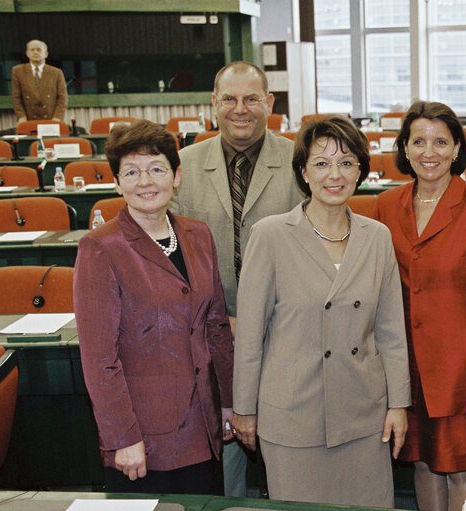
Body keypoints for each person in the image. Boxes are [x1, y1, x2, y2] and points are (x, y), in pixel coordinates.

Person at [230, 115, 410, 507]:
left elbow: (391, 331)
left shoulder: (377, 237)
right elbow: (249, 336)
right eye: (322, 163)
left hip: (364, 414)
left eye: (346, 163)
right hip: (294, 415)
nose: (335, 174)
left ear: (360, 170)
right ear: (303, 172)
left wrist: (399, 404)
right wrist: (243, 409)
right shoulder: (271, 234)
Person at [74, 119, 234, 494]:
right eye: (131, 172)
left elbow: (216, 329)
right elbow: (100, 359)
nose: (145, 181)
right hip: (143, 438)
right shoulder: (100, 248)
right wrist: (121, 437)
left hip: (203, 424)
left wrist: (228, 402)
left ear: (176, 176)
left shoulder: (199, 234)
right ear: (117, 183)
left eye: (157, 168)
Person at [170, 60, 304, 496]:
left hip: (289, 330)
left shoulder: (301, 160)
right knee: (226, 450)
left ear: (269, 103)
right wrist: (217, 317)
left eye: (251, 99)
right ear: (214, 104)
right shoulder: (183, 166)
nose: (240, 109)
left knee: (294, 454)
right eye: (229, 98)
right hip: (212, 332)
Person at [374, 101, 466, 511]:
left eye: (440, 141)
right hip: (406, 372)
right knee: (422, 465)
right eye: (417, 141)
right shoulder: (386, 206)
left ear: (457, 149)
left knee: (463, 472)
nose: (428, 152)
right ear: (404, 148)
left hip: (462, 374)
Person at [11, 39, 68, 122]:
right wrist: (21, 117)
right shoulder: (18, 71)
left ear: (46, 54)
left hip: (51, 118)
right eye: (32, 50)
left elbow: (63, 98)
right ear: (27, 53)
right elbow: (16, 97)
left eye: (39, 50)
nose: (35, 52)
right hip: (28, 119)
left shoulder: (56, 73)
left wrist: (57, 117)